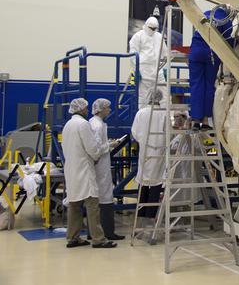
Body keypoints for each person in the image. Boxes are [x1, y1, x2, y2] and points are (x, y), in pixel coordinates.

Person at [62, 98, 116, 249]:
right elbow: (92, 148)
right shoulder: (83, 124)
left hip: (71, 169)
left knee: (74, 204)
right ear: (81, 109)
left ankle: (72, 238)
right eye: (86, 108)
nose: (88, 110)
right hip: (84, 169)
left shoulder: (68, 125)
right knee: (92, 205)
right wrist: (101, 153)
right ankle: (98, 239)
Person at [189, 7, 233, 130]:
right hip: (211, 55)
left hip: (196, 52)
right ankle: (205, 121)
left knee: (196, 85)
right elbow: (227, 41)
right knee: (208, 86)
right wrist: (237, 41)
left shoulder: (205, 13)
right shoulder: (225, 20)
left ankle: (195, 120)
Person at [89, 99, 125, 240]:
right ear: (101, 109)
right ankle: (107, 232)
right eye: (108, 108)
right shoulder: (98, 125)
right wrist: (111, 145)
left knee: (99, 197)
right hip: (100, 166)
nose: (110, 110)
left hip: (99, 165)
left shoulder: (94, 122)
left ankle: (95, 232)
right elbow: (97, 148)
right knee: (105, 198)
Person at [131, 89, 166, 220]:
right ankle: (151, 213)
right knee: (156, 181)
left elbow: (134, 132)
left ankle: (141, 212)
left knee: (143, 179)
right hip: (159, 150)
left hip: (145, 149)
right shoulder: (164, 113)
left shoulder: (141, 113)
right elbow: (169, 132)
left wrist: (144, 140)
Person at [129, 16, 167, 108]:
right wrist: (136, 70)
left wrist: (165, 69)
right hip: (143, 71)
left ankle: (164, 115)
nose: (153, 30)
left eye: (155, 28)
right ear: (146, 25)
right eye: (151, 28)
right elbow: (133, 55)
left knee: (164, 96)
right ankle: (143, 115)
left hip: (158, 70)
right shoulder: (138, 36)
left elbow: (164, 54)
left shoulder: (159, 37)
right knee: (143, 97)